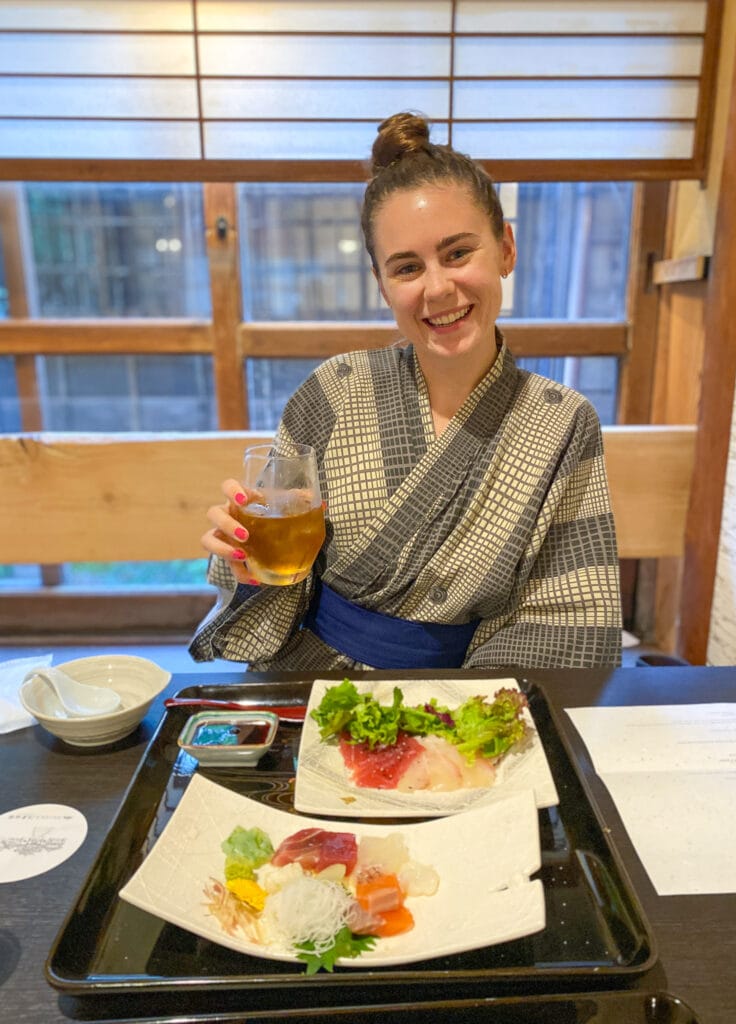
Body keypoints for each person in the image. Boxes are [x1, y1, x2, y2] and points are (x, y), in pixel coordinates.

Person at [190, 112, 622, 672]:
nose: (438, 288)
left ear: (506, 249)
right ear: (382, 283)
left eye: (459, 253)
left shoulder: (562, 421)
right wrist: (246, 562)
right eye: (407, 267)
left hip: (469, 701)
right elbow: (276, 574)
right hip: (311, 680)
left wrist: (456, 721)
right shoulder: (333, 392)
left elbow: (567, 613)